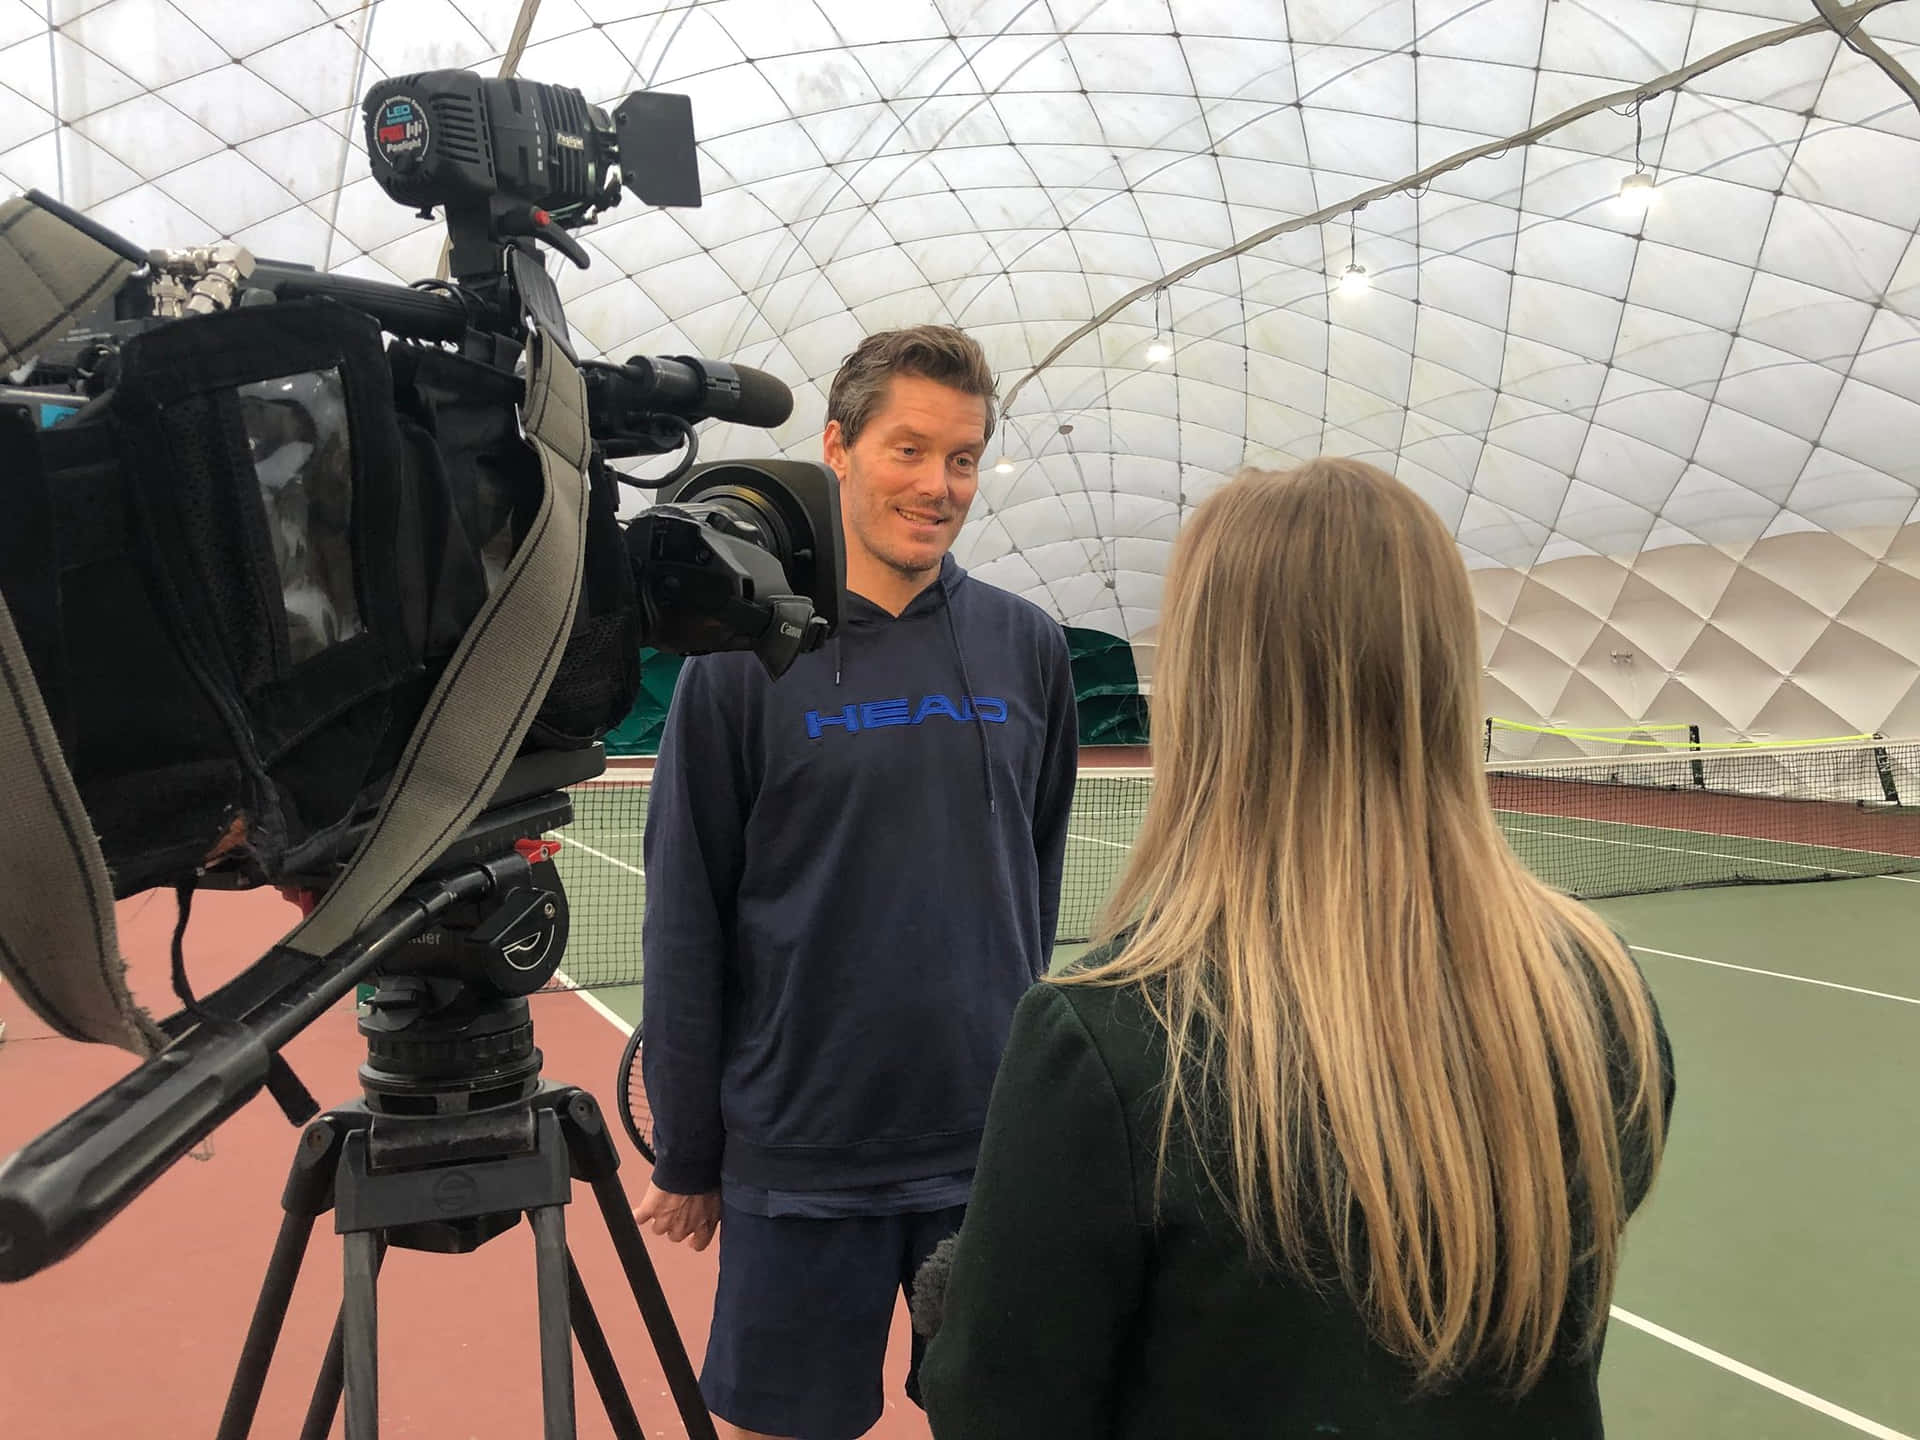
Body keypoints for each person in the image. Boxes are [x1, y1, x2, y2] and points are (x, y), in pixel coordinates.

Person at [918, 458, 1676, 1438]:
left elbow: (996, 1407)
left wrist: (948, 1304)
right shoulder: (1599, 993)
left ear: (1209, 687)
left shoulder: (1110, 1036)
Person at [633, 324, 1080, 1440]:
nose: (940, 487)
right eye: (911, 450)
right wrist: (690, 1147)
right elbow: (685, 916)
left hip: (985, 1155)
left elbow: (1038, 873)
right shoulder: (735, 665)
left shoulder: (1028, 647)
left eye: (965, 458)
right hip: (798, 1155)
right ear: (838, 447)